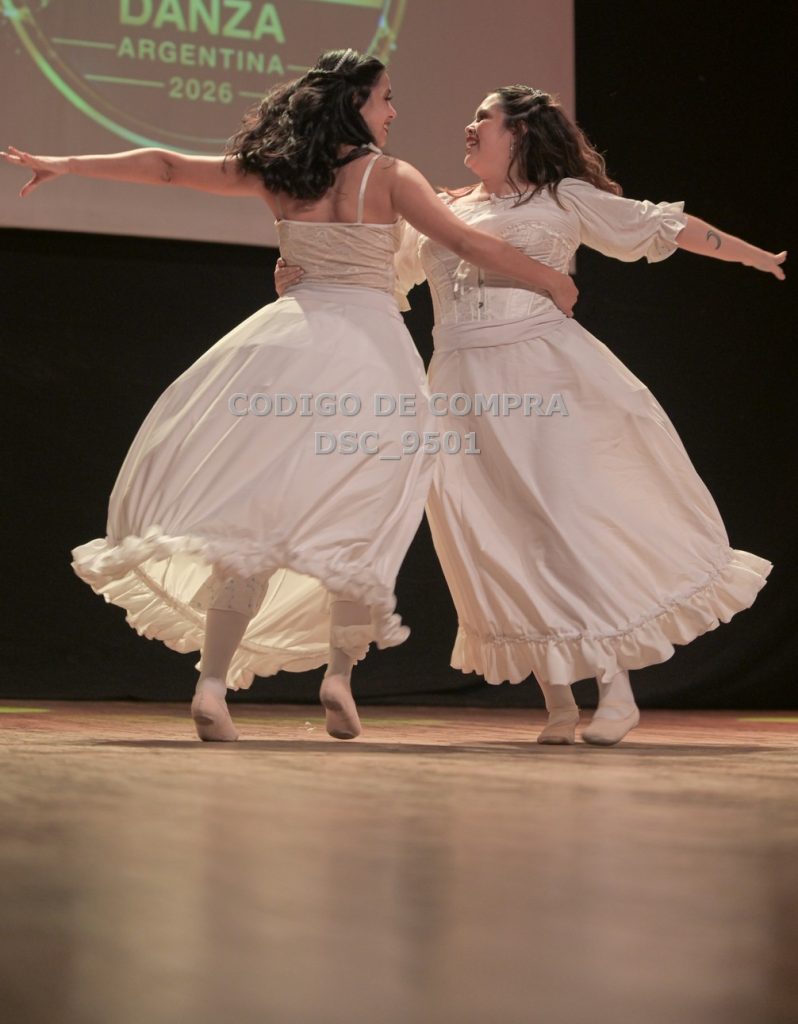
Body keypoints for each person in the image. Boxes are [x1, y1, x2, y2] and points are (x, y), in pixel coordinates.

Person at [1, 52, 578, 744]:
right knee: (359, 514)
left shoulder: (280, 172)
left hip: (287, 346)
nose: (393, 112)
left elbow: (166, 167)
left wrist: (66, 164)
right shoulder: (390, 176)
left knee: (258, 514)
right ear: (354, 103)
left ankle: (212, 684)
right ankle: (338, 675)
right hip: (369, 357)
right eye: (385, 98)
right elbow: (463, 241)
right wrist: (550, 278)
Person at [276, 83, 784, 745]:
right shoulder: (441, 208)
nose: (469, 125)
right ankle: (560, 703)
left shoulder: (562, 198)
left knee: (565, 523)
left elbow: (661, 225)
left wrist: (754, 255)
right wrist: (301, 278)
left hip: (542, 373)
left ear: (519, 132)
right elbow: (373, 272)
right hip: (459, 386)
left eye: (483, 117)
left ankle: (615, 692)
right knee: (498, 535)